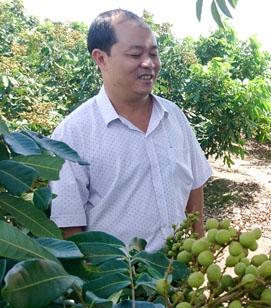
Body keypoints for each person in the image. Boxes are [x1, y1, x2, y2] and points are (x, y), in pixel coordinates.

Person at [50, 9, 212, 252]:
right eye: (136, 54)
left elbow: (194, 182)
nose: (149, 63)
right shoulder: (72, 134)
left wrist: (199, 243)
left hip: (180, 272)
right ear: (101, 59)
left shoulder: (174, 116)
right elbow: (68, 224)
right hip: (121, 282)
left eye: (154, 54)